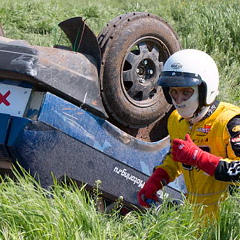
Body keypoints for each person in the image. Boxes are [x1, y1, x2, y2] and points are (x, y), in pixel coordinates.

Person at [137, 49, 240, 216]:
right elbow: (175, 157)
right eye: (174, 92)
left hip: (229, 219)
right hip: (194, 217)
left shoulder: (230, 122)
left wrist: (199, 158)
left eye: (186, 92)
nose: (179, 100)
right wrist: (155, 182)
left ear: (205, 89)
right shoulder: (176, 120)